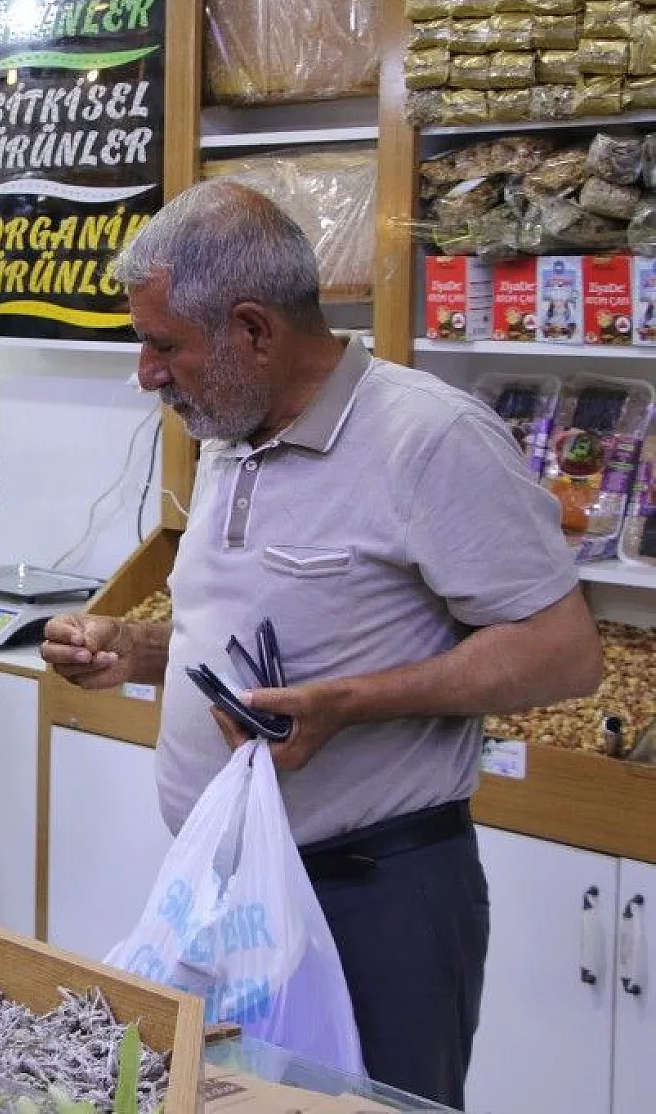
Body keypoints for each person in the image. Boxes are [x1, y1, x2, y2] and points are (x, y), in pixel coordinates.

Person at [40, 180, 602, 1107]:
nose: (146, 373)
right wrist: (136, 650)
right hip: (227, 898)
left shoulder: (430, 438)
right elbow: (270, 630)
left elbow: (563, 649)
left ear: (254, 331)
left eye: (163, 345)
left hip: (374, 901)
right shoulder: (229, 427)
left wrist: (348, 705)